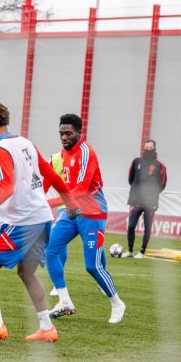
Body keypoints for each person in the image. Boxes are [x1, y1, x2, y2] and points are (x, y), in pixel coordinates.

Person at [0, 102, 77, 343]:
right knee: (26, 272)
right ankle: (46, 328)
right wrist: (69, 202)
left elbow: (7, 188)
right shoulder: (26, 142)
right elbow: (51, 175)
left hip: (22, 221)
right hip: (41, 218)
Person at [45, 114, 126, 323]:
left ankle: (117, 303)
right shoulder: (62, 154)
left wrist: (48, 204)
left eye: (68, 133)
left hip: (92, 213)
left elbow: (80, 190)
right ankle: (64, 301)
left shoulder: (86, 153)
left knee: (92, 266)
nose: (63, 137)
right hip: (71, 212)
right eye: (61, 133)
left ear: (79, 133)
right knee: (51, 251)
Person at [123, 139, 167, 258]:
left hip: (150, 201)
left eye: (150, 147)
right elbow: (130, 178)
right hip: (136, 199)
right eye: (146, 147)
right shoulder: (136, 161)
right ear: (144, 147)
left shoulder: (159, 165)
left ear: (154, 148)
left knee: (147, 227)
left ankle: (142, 252)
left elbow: (162, 183)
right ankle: (130, 250)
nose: (148, 149)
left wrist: (152, 193)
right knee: (131, 225)